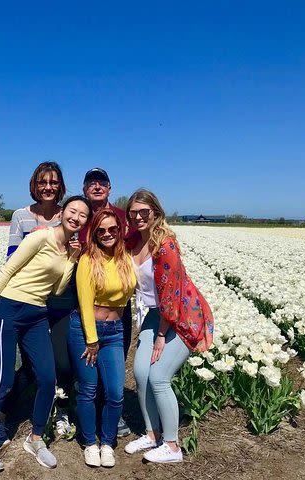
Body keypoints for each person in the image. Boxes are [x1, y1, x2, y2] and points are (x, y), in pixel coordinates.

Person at [0, 195, 92, 473]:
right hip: (9, 310)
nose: (76, 217)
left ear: (86, 221)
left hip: (38, 314)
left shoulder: (67, 250)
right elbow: (9, 268)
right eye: (72, 211)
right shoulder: (41, 237)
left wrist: (72, 258)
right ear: (63, 213)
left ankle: (35, 439)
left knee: (48, 378)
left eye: (82, 215)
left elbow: (58, 289)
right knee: (1, 379)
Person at [0, 161, 77, 449]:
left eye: (53, 182)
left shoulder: (71, 215)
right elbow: (12, 259)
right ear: (34, 185)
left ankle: (60, 410)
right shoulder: (21, 217)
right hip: (27, 301)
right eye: (42, 182)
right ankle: (1, 418)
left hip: (60, 300)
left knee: (59, 362)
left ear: (60, 186)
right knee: (19, 365)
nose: (48, 187)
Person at [123, 189, 213, 463]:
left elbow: (171, 297)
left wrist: (161, 335)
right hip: (155, 314)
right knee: (140, 373)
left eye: (144, 212)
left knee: (159, 376)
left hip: (183, 316)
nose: (138, 217)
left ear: (156, 213)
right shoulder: (133, 242)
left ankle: (172, 447)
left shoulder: (166, 245)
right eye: (133, 213)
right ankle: (152, 435)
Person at [68, 208, 136, 468]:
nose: (107, 234)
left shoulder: (125, 258)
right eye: (101, 231)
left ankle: (107, 442)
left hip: (116, 330)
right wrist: (91, 339)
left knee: (116, 392)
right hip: (85, 331)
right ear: (94, 234)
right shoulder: (88, 259)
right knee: (88, 389)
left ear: (120, 231)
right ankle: (89, 443)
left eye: (112, 229)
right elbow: (85, 303)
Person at [79, 167, 134, 438]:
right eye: (91, 182)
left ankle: (112, 411)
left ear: (110, 188)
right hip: (82, 298)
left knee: (115, 360)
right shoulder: (80, 215)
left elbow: (138, 246)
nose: (97, 186)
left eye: (102, 182)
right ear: (85, 189)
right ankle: (80, 412)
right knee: (84, 362)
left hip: (117, 304)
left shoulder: (123, 218)